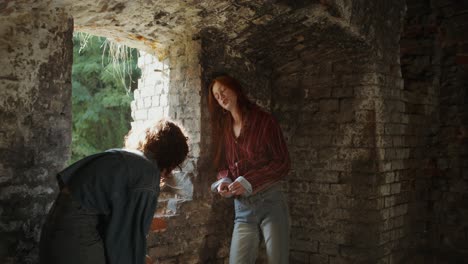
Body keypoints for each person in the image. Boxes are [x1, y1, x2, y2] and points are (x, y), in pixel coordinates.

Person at [39, 119, 189, 264]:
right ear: (171, 158)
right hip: (77, 236)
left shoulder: (126, 158)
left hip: (55, 230)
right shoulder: (147, 174)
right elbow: (126, 240)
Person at [208, 74, 291, 264]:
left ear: (235, 89)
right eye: (216, 96)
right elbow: (222, 165)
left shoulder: (265, 121)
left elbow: (283, 162)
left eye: (223, 91)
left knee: (278, 261)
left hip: (271, 203)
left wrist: (250, 180)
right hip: (242, 209)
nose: (220, 97)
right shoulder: (224, 128)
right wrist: (225, 181)